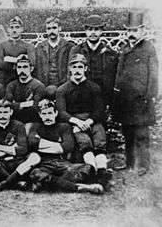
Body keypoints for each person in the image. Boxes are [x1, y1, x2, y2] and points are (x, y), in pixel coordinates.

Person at [56, 53, 111, 188]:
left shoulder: (94, 87)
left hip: (92, 120)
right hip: (75, 122)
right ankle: (91, 171)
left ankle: (102, 172)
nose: (77, 70)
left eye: (80, 67)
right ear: (70, 69)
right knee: (84, 141)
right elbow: (62, 112)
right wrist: (77, 122)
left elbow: (99, 110)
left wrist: (89, 121)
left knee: (99, 140)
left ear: (85, 68)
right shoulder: (62, 89)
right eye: (74, 67)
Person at [113, 11, 158, 176]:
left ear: (142, 30)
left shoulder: (148, 48)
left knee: (141, 134)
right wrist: (117, 92)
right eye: (129, 31)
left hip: (141, 100)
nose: (132, 34)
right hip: (125, 100)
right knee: (128, 134)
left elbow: (154, 75)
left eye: (135, 31)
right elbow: (119, 72)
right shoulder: (124, 47)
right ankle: (130, 163)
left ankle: (143, 165)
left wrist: (149, 96)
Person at [26, 99, 104, 194]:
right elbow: (32, 144)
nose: (47, 117)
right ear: (40, 115)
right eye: (44, 114)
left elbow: (67, 147)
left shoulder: (64, 127)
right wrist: (58, 146)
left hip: (62, 163)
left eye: (50, 113)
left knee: (88, 168)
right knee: (35, 173)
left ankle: (52, 182)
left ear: (55, 113)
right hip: (44, 163)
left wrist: (42, 143)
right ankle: (79, 187)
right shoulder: (35, 126)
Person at [0, 99, 40, 191]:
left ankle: (4, 183)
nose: (2, 116)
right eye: (0, 112)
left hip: (17, 163)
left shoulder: (18, 125)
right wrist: (12, 148)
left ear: (11, 112)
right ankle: (15, 181)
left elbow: (23, 149)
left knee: (35, 157)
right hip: (0, 164)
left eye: (5, 112)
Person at [68, 15, 118, 108]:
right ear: (86, 31)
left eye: (96, 29)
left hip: (103, 98)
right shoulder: (77, 50)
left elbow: (111, 79)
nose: (93, 33)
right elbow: (70, 76)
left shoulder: (110, 53)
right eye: (90, 29)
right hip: (82, 97)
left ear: (101, 31)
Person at [5, 54, 45, 134]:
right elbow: (8, 104)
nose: (22, 70)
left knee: (27, 137)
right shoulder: (11, 85)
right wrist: (26, 104)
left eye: (25, 67)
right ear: (16, 69)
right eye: (19, 67)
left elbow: (35, 106)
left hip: (32, 120)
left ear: (31, 69)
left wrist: (17, 105)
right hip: (14, 119)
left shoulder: (38, 86)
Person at [0, 16, 36, 86]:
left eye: (17, 27)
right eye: (11, 27)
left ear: (22, 29)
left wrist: (8, 59)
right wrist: (18, 60)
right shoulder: (1, 46)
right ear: (8, 30)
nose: (14, 30)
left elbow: (32, 62)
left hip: (22, 78)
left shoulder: (29, 46)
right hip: (5, 79)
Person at [35, 17, 75, 86]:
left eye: (54, 28)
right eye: (49, 29)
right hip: (45, 85)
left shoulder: (69, 46)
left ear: (59, 28)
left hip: (64, 85)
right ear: (46, 30)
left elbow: (71, 68)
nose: (51, 31)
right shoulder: (40, 47)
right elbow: (37, 69)